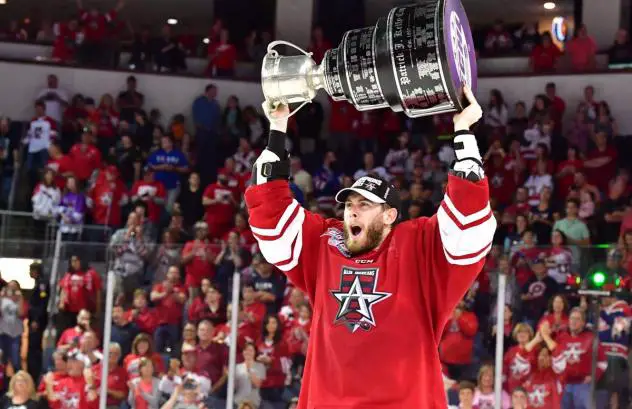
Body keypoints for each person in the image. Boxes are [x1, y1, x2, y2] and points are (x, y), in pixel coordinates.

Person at [245, 87, 496, 408]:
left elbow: (468, 223)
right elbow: (271, 216)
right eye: (350, 203)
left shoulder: (417, 245)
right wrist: (278, 130)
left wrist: (463, 132)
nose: (352, 210)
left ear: (390, 215)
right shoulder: (326, 242)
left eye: (365, 204)